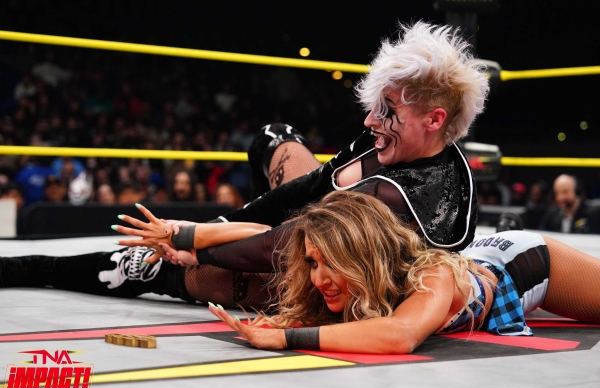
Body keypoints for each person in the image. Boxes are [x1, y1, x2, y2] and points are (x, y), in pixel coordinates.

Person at [0, 21, 488, 309]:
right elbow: (307, 189)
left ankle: (26, 268)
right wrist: (217, 225)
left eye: (388, 110)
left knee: (147, 268)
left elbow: (287, 243)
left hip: (319, 283)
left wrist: (193, 246)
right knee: (274, 138)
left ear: (434, 119)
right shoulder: (384, 143)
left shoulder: (403, 195)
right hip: (298, 233)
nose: (370, 119)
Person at [200, 191, 599, 353]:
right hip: (476, 258)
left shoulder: (434, 275)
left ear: (360, 256)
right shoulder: (359, 284)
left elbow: (401, 334)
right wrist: (187, 237)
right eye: (313, 263)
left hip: (522, 261)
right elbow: (265, 235)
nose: (318, 279)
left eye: (330, 263)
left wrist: (288, 338)